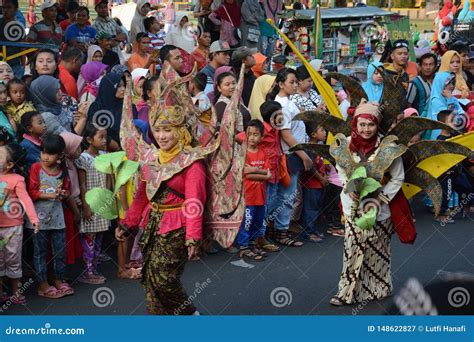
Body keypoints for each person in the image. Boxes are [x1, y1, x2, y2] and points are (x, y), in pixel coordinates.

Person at [118, 96, 207, 315]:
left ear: (180, 130)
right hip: (152, 224)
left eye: (167, 130)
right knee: (149, 276)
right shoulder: (152, 157)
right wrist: (128, 224)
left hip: (178, 226)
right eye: (157, 130)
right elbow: (142, 196)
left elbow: (195, 201)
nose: (161, 136)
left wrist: (193, 236)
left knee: (165, 278)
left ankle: (191, 316)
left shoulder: (191, 162)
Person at [330, 101, 405, 306]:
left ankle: (378, 288)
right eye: (362, 124)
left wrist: (380, 197)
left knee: (377, 251)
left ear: (377, 125)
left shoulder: (388, 148)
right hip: (353, 208)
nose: (366, 129)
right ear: (355, 124)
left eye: (370, 125)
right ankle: (346, 293)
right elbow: (342, 171)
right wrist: (350, 187)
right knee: (352, 248)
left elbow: (398, 178)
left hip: (380, 209)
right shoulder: (344, 145)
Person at [265, 68, 312, 247]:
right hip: (290, 154)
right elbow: (286, 135)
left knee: (285, 195)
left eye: (296, 82)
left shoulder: (288, 102)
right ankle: (280, 231)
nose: (295, 85)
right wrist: (304, 156)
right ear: (281, 84)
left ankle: (275, 229)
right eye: (291, 82)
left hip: (293, 153)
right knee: (286, 195)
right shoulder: (282, 105)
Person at [27, 134, 74, 299]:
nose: (45, 157)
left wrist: (63, 194)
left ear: (60, 155)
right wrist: (53, 195)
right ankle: (42, 284)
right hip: (38, 220)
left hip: (57, 218)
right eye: (43, 152)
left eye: (50, 153)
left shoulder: (62, 172)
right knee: (40, 252)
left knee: (59, 250)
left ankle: (59, 280)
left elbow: (66, 191)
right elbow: (31, 193)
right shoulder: (36, 168)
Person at [0, 144, 39, 305]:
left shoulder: (17, 179)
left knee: (13, 258)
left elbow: (26, 200)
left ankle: (16, 292)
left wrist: (34, 219)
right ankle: (1, 292)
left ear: (9, 165)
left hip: (13, 227)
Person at [75, 124, 110, 284]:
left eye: (105, 137)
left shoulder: (104, 154)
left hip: (102, 204)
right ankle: (87, 271)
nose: (104, 140)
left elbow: (108, 180)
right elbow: (82, 185)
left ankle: (93, 269)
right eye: (100, 137)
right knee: (89, 238)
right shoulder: (83, 158)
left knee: (99, 238)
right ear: (89, 139)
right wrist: (86, 206)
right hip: (90, 204)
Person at [236, 119, 271, 261]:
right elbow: (243, 172)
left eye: (255, 134)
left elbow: (268, 174)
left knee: (258, 220)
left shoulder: (263, 152)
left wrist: (252, 171)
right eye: (249, 134)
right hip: (247, 196)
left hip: (260, 196)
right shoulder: (242, 152)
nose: (252, 137)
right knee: (247, 221)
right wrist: (259, 171)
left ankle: (252, 243)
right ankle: (243, 246)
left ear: (261, 137)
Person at [435, 110, 473, 223]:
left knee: (466, 188)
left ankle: (464, 207)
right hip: (446, 173)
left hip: (457, 170)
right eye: (450, 121)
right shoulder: (440, 140)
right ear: (441, 124)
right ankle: (440, 214)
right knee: (446, 193)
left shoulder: (456, 136)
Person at [299, 121, 328, 243]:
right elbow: (310, 168)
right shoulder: (309, 149)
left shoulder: (319, 147)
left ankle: (313, 229)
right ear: (313, 134)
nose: (325, 132)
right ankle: (308, 232)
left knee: (316, 207)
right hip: (312, 184)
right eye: (322, 130)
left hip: (319, 184)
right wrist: (321, 178)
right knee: (310, 208)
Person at [87, 72, 128, 150]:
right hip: (104, 150)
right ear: (109, 87)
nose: (123, 89)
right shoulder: (97, 107)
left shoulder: (126, 105)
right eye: (119, 86)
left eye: (124, 85)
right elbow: (94, 132)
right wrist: (116, 147)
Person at [424, 72, 465, 140]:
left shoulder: (452, 98)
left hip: (452, 133)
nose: (452, 86)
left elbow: (462, 115)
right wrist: (450, 100)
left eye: (453, 83)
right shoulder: (436, 100)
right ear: (441, 84)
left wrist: (450, 99)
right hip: (440, 136)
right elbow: (451, 117)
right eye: (449, 83)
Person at [0, 0, 25, 78]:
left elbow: (22, 47)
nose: (5, 10)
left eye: (9, 7)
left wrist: (23, 65)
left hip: (15, 65)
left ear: (16, 9)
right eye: (3, 7)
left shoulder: (19, 26)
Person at [383, 39, 410, 111]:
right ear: (392, 56)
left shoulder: (405, 75)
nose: (403, 56)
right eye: (399, 53)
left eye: (405, 53)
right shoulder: (384, 74)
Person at [189, 72, 212, 137]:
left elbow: (200, 109)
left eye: (189, 83)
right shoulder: (197, 98)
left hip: (204, 132)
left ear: (192, 85)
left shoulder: (203, 97)